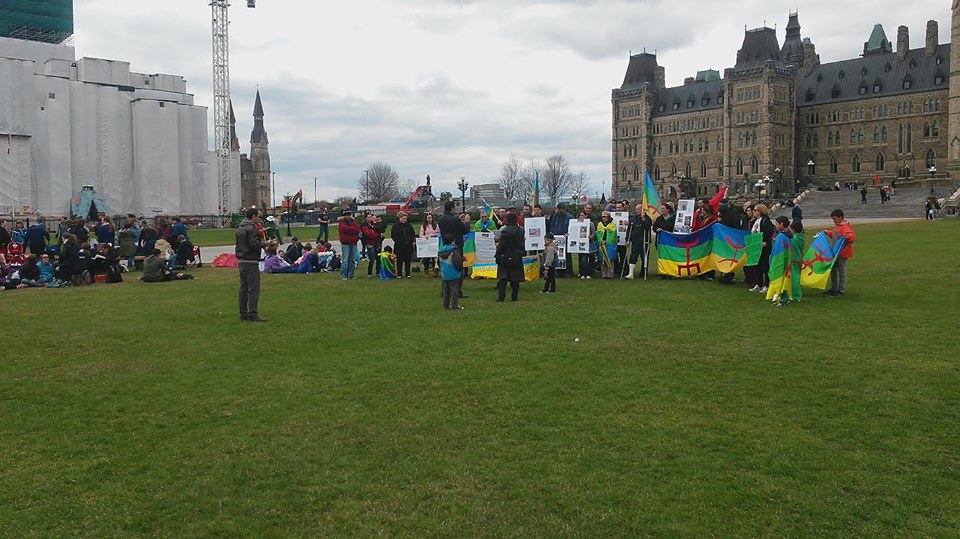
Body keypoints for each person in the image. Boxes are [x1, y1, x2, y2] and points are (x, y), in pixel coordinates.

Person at [236, 207, 267, 321]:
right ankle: (253, 313)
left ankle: (243, 313)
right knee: (253, 289)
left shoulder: (240, 228)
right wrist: (264, 244)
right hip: (251, 260)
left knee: (243, 289)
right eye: (258, 216)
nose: (260, 219)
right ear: (253, 217)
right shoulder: (252, 229)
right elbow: (254, 245)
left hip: (242, 260)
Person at [438, 201, 469, 297]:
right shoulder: (455, 220)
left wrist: (458, 220)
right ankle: (457, 291)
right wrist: (466, 222)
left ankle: (444, 291)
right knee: (458, 268)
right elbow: (464, 230)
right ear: (452, 208)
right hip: (456, 246)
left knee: (446, 268)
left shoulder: (441, 219)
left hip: (445, 246)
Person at [824, 209, 855, 297]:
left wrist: (848, 236)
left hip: (842, 253)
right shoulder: (838, 226)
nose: (834, 220)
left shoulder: (845, 227)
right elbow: (835, 236)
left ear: (840, 217)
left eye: (835, 218)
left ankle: (840, 290)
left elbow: (851, 236)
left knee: (841, 271)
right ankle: (834, 288)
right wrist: (828, 232)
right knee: (833, 270)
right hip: (835, 253)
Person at [495, 213, 525, 302]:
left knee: (503, 277)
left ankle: (501, 297)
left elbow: (501, 246)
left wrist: (497, 254)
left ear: (507, 220)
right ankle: (514, 297)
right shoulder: (521, 231)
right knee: (516, 278)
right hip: (517, 255)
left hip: (506, 255)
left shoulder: (505, 232)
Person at [751, 204, 776, 293]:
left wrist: (766, 242)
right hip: (756, 245)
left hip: (764, 247)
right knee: (757, 265)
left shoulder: (765, 221)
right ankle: (759, 284)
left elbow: (770, 233)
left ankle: (766, 284)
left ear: (760, 211)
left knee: (765, 265)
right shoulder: (756, 221)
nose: (753, 212)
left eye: (755, 210)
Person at [438, 233, 464, 310]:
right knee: (454, 291)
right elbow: (457, 262)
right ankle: (455, 305)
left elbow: (438, 263)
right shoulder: (454, 251)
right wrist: (460, 270)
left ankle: (446, 305)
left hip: (444, 273)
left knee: (446, 290)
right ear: (453, 241)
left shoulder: (441, 251)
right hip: (454, 273)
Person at [627, 203, 653, 279]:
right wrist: (627, 239)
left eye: (638, 209)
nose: (636, 211)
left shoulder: (648, 218)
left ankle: (644, 272)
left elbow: (648, 227)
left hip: (644, 242)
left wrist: (643, 219)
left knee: (644, 257)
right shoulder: (633, 219)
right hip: (635, 242)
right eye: (636, 209)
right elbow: (629, 230)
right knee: (633, 257)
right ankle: (630, 273)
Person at [547, 203, 573, 276]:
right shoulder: (554, 216)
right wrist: (552, 233)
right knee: (558, 255)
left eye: (561, 210)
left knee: (567, 255)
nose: (559, 211)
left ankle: (569, 271)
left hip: (566, 238)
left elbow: (572, 228)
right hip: (556, 238)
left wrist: (568, 233)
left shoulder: (569, 217)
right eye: (558, 210)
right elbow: (551, 225)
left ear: (564, 209)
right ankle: (559, 271)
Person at [390, 211, 417, 278]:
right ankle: (399, 274)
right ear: (400, 218)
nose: (405, 220)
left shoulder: (409, 225)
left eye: (405, 219)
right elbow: (393, 236)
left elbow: (412, 234)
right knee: (399, 260)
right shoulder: (395, 226)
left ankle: (408, 273)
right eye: (403, 218)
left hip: (408, 246)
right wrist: (399, 242)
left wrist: (411, 240)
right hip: (399, 246)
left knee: (408, 260)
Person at [337, 211, 362, 280]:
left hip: (353, 243)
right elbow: (344, 229)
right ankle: (344, 275)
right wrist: (353, 230)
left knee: (353, 260)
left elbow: (357, 229)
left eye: (349, 215)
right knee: (345, 260)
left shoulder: (354, 222)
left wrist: (351, 230)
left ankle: (351, 274)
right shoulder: (341, 223)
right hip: (345, 243)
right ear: (344, 216)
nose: (348, 216)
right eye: (346, 215)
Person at [596, 211, 618, 279]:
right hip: (601, 244)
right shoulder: (600, 225)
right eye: (602, 217)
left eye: (605, 217)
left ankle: (610, 274)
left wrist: (607, 241)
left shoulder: (612, 225)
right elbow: (598, 234)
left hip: (609, 244)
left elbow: (613, 235)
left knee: (610, 259)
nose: (603, 218)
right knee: (602, 259)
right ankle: (604, 274)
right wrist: (601, 241)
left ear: (608, 217)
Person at [575, 210, 597, 279]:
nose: (581, 217)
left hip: (589, 244)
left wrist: (590, 237)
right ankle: (582, 273)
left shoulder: (590, 224)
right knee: (582, 259)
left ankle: (589, 273)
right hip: (581, 244)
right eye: (580, 215)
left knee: (590, 259)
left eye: (582, 215)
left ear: (586, 216)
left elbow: (594, 233)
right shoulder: (576, 223)